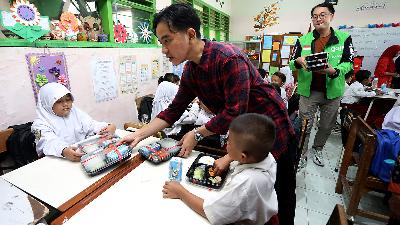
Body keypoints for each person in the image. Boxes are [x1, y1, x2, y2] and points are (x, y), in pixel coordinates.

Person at [119, 3, 297, 225]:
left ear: (190, 34)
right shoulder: (191, 70)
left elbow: (235, 112)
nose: (164, 49)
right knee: (245, 197)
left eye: (167, 40)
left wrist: (198, 133)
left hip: (270, 130)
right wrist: (139, 135)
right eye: (161, 42)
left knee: (279, 196)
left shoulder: (229, 58)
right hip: (242, 136)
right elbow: (173, 111)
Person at [162, 113, 278, 225]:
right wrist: (230, 158)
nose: (226, 143)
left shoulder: (246, 183)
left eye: (229, 142)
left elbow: (212, 213)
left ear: (242, 156)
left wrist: (181, 193)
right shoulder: (266, 156)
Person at [289, 2, 354, 169]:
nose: (318, 19)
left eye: (322, 15)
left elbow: (349, 63)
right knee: (305, 125)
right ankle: (301, 154)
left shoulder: (344, 38)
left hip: (332, 91)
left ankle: (318, 149)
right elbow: (291, 63)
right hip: (308, 91)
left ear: (331, 16)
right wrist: (297, 61)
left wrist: (334, 71)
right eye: (315, 16)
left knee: (326, 126)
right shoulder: (303, 40)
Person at [31, 83, 116, 162]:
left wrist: (107, 126)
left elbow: (91, 125)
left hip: (81, 156)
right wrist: (63, 150)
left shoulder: (75, 113)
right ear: (47, 103)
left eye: (68, 100)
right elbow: (49, 142)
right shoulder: (40, 124)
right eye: (59, 101)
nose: (65, 104)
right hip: (57, 161)